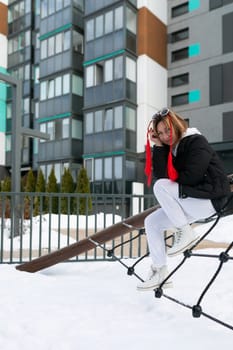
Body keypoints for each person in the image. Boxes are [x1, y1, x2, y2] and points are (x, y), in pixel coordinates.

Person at [137, 108, 230, 291]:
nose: (165, 136)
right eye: (161, 133)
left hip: (211, 200)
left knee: (161, 186)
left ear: (177, 124)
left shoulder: (196, 141)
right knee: (152, 222)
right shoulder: (172, 149)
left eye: (168, 130)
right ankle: (159, 271)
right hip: (193, 201)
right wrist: (159, 148)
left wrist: (171, 186)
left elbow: (191, 177)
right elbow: (163, 175)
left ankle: (185, 232)